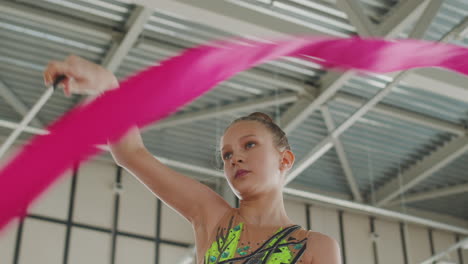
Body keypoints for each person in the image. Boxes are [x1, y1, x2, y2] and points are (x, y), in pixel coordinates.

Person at [43, 55, 341, 264]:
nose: (235, 157)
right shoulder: (212, 217)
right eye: (227, 154)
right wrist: (108, 88)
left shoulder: (316, 247)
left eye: (249, 145)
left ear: (285, 159)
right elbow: (131, 153)